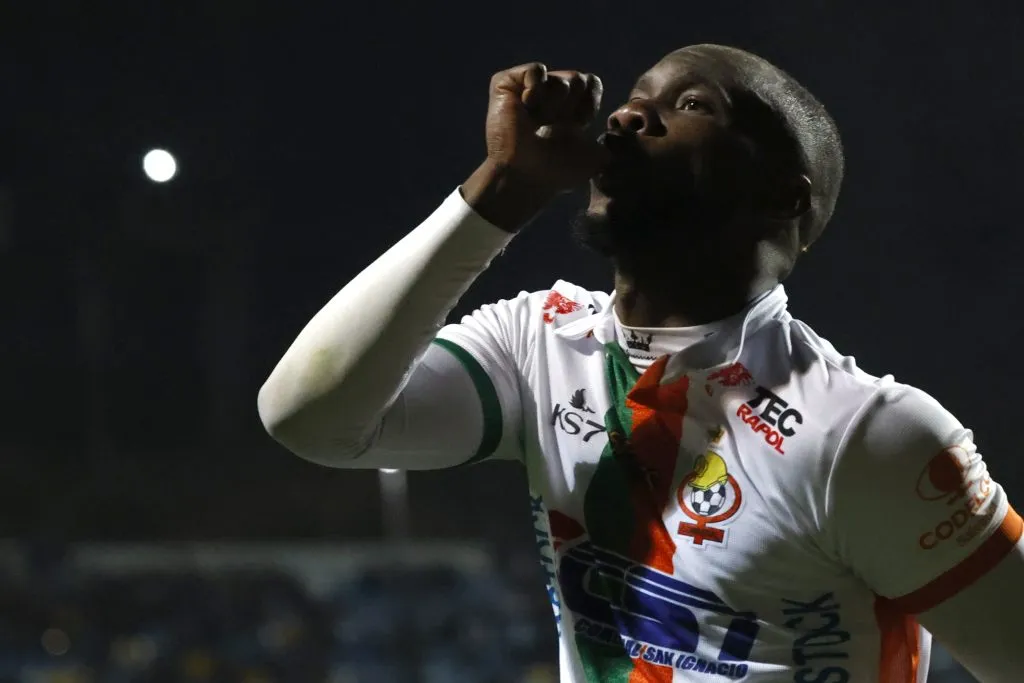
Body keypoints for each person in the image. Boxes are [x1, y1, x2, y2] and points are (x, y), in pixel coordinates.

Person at [257, 44, 1022, 682]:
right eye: (633, 98)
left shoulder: (867, 435)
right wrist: (502, 192)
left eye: (693, 105)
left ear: (782, 195)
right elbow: (311, 418)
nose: (627, 116)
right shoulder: (537, 342)